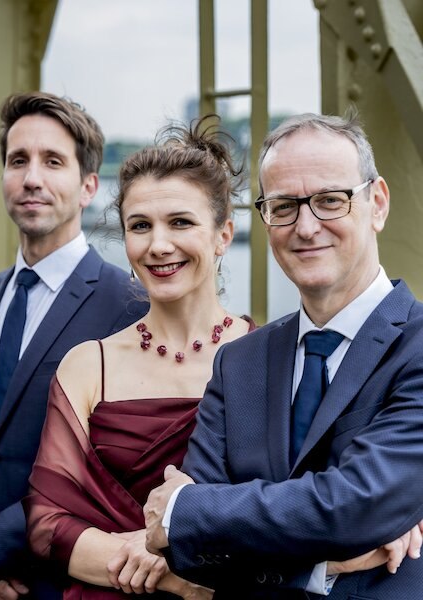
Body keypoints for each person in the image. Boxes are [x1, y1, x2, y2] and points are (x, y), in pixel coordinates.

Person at [143, 113, 423, 599]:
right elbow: (187, 553)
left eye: (330, 200)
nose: (306, 227)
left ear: (377, 203)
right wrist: (320, 563)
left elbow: (354, 506)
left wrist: (186, 510)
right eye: (284, 206)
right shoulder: (238, 363)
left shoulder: (417, 345)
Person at [24, 117, 253, 599]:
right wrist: (173, 577)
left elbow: (302, 504)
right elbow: (47, 523)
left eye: (181, 222)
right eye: (140, 226)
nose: (158, 245)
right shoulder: (88, 366)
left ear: (223, 234)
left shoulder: (269, 356)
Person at [0, 91, 148, 599]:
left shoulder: (128, 305)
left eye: (53, 161)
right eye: (18, 161)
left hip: (69, 582)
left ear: (88, 185)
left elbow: (110, 467)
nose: (32, 178)